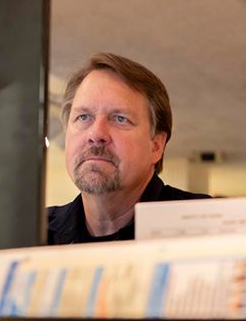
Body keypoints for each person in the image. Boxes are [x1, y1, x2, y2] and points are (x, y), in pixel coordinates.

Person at [48, 53, 210, 245]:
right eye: (83, 117)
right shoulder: (30, 237)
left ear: (156, 145)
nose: (96, 134)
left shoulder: (207, 226)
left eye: (120, 119)